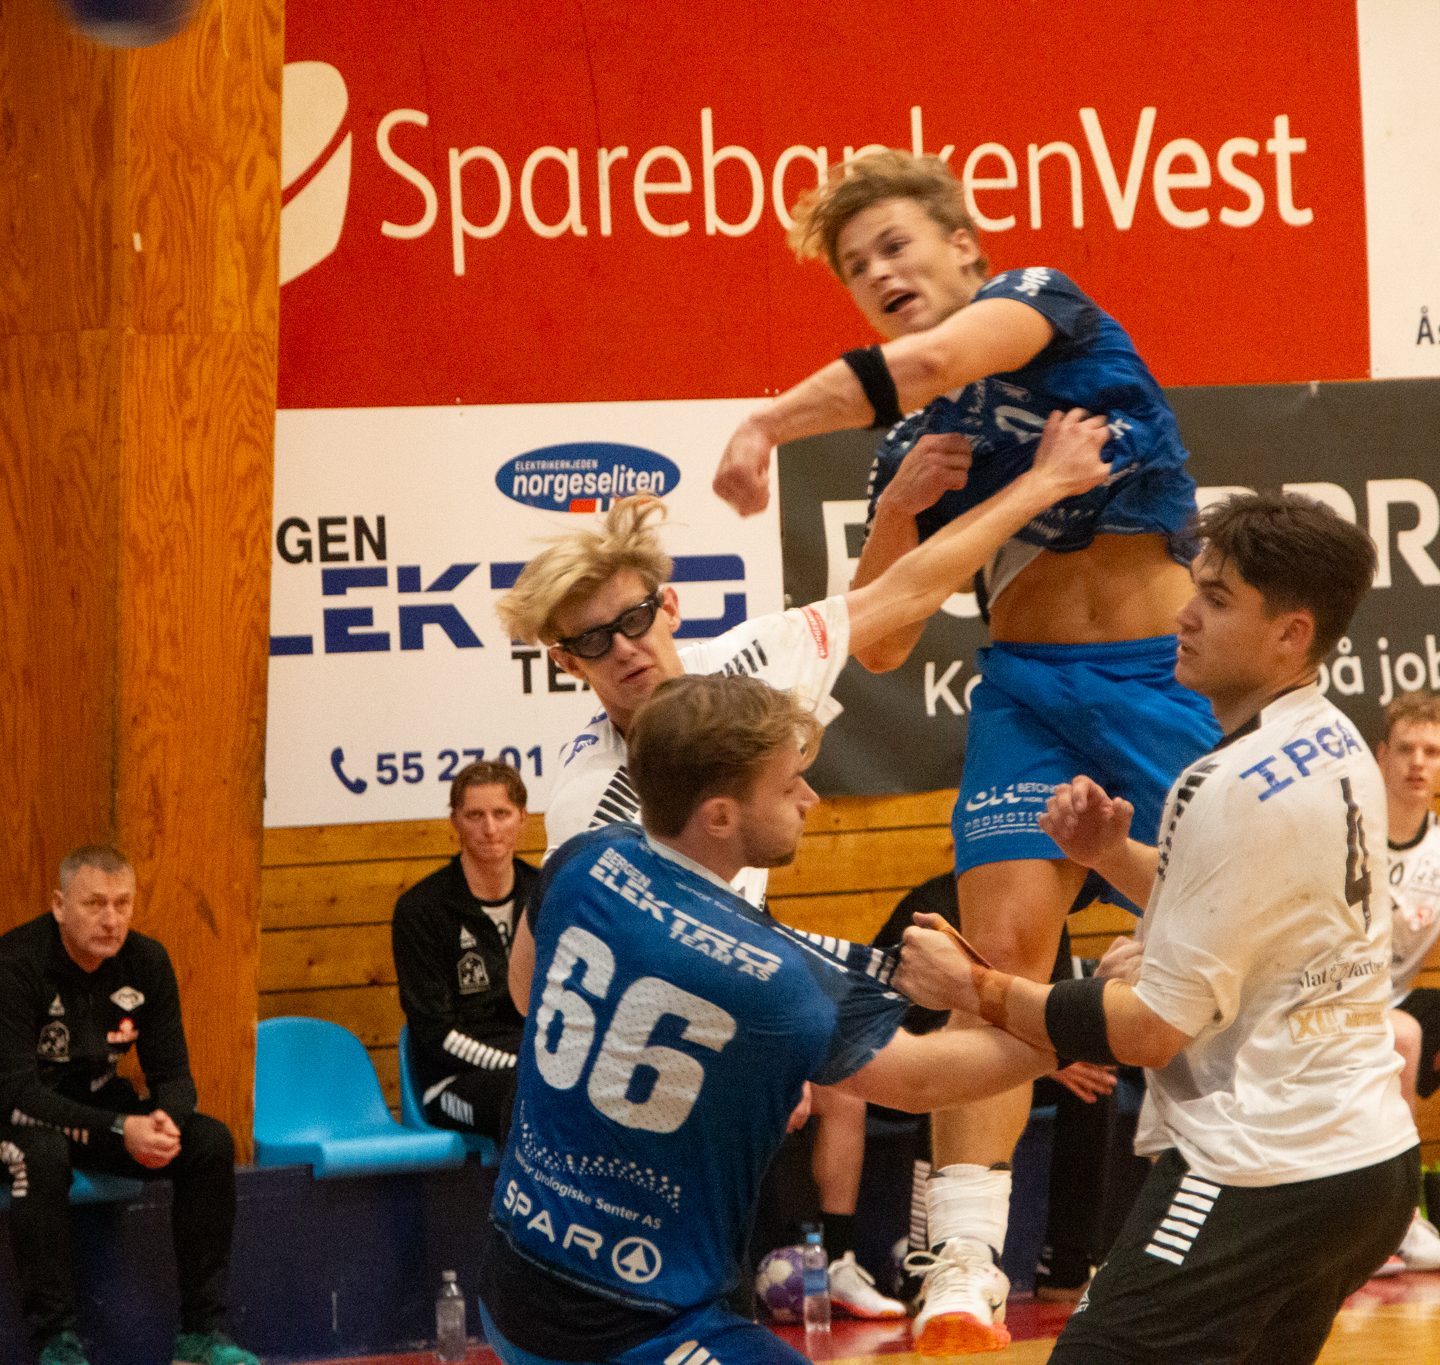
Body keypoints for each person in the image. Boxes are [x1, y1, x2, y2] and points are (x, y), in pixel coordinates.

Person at [712, 148, 1220, 1349]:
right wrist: (897, 509)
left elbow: (931, 361)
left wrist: (767, 422)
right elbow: (883, 644)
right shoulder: (917, 441)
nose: (880, 273)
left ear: (964, 252)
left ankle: (1260, 1186)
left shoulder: (1044, 306)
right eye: (857, 267)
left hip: (1157, 681)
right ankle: (963, 1263)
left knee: (1217, 939)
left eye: (896, 245)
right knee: (999, 956)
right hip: (1028, 697)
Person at [498, 408, 1110, 1318]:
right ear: (564, 661)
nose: (623, 648)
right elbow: (527, 986)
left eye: (632, 618)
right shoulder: (594, 803)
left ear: (668, 605)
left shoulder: (750, 665)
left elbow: (904, 594)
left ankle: (928, 1250)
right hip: (646, 1092)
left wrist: (1039, 485)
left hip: (734, 1015)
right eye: (593, 640)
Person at [894, 491, 1419, 1363]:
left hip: (1258, 1171)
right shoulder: (1336, 741)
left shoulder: (1224, 785)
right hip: (1369, 1166)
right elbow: (1243, 902)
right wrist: (1110, 854)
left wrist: (975, 987)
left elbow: (1147, 1032)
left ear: (1290, 633)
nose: (1184, 614)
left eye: (1216, 599)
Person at [477, 673, 1062, 1365]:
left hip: (510, 1280)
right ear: (721, 816)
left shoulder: (584, 856)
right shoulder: (768, 975)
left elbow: (525, 991)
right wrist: (1081, 1021)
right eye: (789, 786)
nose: (810, 798)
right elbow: (922, 1081)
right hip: (625, 1323)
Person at [0, 846, 257, 1365]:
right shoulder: (15, 963)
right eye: (94, 903)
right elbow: (18, 1092)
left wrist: (166, 1121)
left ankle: (202, 1335)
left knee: (208, 1142)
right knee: (42, 1154)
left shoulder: (146, 961)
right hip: (16, 1115)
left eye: (122, 903)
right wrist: (121, 1128)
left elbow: (174, 1076)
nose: (111, 920)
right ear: (59, 905)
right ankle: (55, 1341)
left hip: (97, 1111)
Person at [392, 760, 538, 1139]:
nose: (489, 829)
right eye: (475, 815)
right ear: (454, 820)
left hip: (536, 1065)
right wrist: (524, 1066)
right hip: (453, 1080)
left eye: (501, 814)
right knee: (525, 1098)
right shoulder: (421, 910)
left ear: (523, 818)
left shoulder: (545, 894)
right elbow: (435, 1034)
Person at [1371, 691, 1440, 1274]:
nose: (1418, 763)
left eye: (1432, 752)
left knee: (1408, 1029)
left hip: (1394, 998)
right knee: (1405, 1036)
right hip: (1327, 994)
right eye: (1405, 749)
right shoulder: (1351, 834)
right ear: (1380, 756)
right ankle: (1396, 1218)